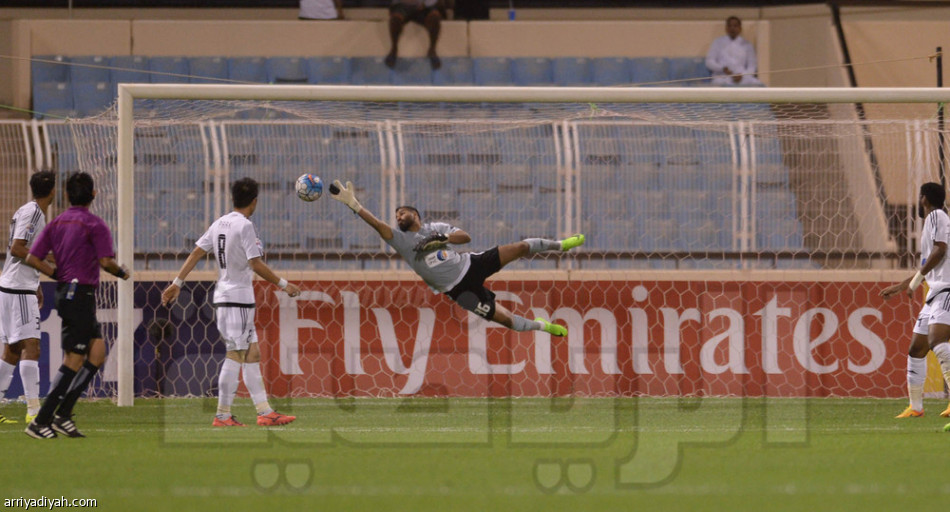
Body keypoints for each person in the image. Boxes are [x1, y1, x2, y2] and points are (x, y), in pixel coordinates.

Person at [328, 179, 582, 336]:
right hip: (459, 291)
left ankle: (561, 245)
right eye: (395, 216)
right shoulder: (401, 241)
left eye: (402, 212)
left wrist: (444, 239)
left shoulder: (435, 227)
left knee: (518, 247)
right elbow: (378, 225)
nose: (398, 217)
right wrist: (355, 205)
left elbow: (465, 236)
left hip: (470, 264)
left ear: (415, 215)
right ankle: (543, 326)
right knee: (506, 321)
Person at [161, 178, 300, 428]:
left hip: (226, 297)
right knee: (236, 354)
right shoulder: (245, 226)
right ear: (255, 201)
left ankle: (264, 411)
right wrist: (283, 284)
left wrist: (177, 282)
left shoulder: (220, 223)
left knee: (251, 354)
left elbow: (196, 252)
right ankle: (223, 415)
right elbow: (255, 263)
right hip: (237, 299)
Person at [22, 172, 130, 439]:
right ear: (93, 195)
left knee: (97, 352)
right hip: (78, 294)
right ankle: (41, 420)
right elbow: (106, 262)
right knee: (75, 357)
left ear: (67, 195)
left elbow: (33, 257)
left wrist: (57, 274)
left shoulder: (56, 222)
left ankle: (62, 415)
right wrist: (122, 273)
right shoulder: (95, 224)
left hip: (69, 292)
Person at [882, 182, 950, 419]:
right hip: (935, 292)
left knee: (937, 340)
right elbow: (929, 265)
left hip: (946, 290)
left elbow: (941, 250)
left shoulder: (937, 216)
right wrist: (904, 285)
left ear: (923, 198)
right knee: (917, 348)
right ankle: (916, 407)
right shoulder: (932, 224)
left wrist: (915, 280)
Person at [0, 171, 55, 425]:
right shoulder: (34, 213)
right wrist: (49, 269)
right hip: (18, 289)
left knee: (12, 350)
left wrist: (37, 282)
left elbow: (21, 252)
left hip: (15, 286)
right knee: (32, 347)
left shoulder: (29, 210)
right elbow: (17, 248)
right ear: (52, 191)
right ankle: (34, 410)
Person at [385, 0, 445, 70]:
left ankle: (432, 50)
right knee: (395, 19)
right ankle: (394, 50)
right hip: (401, 5)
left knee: (435, 17)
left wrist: (425, 4)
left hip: (423, 6)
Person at [705, 16, 763, 86]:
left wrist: (743, 75)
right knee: (717, 84)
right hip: (723, 77)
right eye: (730, 26)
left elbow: (752, 66)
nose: (732, 28)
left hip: (742, 78)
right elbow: (709, 62)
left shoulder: (747, 45)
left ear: (740, 28)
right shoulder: (717, 42)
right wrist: (722, 68)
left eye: (735, 26)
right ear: (726, 28)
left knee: (758, 84)